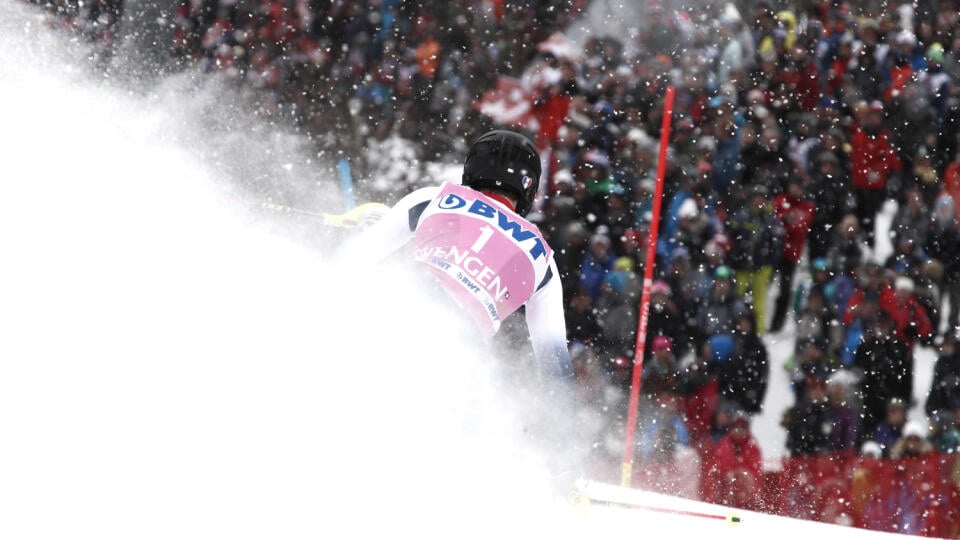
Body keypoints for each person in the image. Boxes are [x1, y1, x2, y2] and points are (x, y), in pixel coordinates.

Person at [341, 130, 573, 385]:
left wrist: (362, 231)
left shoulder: (434, 196)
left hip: (401, 305)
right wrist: (564, 421)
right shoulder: (543, 257)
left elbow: (351, 259)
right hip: (461, 349)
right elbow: (556, 369)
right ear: (529, 187)